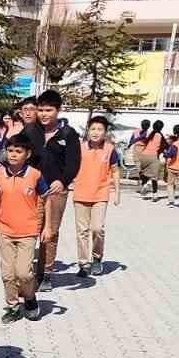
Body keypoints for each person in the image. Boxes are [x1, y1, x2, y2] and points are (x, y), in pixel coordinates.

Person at [0, 133, 48, 323]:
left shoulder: (35, 175)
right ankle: (13, 306)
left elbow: (46, 200)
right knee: (7, 273)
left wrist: (46, 226)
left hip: (28, 231)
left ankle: (30, 298)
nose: (13, 155)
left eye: (18, 151)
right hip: (5, 231)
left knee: (24, 272)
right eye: (11, 150)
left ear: (27, 154)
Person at [31, 90, 80, 287]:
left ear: (58, 110)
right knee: (31, 229)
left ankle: (46, 273)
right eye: (40, 109)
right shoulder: (31, 131)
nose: (44, 114)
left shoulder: (68, 134)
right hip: (32, 189)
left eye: (48, 110)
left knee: (50, 231)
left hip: (55, 190)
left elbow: (74, 163)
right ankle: (30, 271)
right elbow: (16, 149)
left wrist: (63, 181)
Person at [71, 116, 120, 278]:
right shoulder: (79, 148)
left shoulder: (110, 149)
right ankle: (84, 264)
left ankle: (97, 258)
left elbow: (115, 170)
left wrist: (117, 192)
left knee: (97, 228)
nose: (95, 132)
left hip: (100, 193)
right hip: (80, 194)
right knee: (82, 231)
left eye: (99, 129)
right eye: (92, 129)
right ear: (88, 130)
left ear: (105, 132)